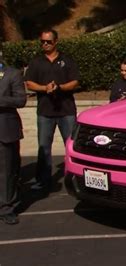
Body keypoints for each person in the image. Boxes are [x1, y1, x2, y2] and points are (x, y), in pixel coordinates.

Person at [25, 28, 80, 191]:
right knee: (44, 146)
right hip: (45, 112)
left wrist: (60, 87)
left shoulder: (67, 60)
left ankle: (75, 177)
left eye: (48, 41)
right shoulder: (36, 62)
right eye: (42, 41)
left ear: (56, 41)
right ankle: (43, 180)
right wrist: (44, 88)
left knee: (71, 146)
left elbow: (75, 81)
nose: (45, 44)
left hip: (66, 111)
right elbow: (29, 83)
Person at [0, 53, 27, 225]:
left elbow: (21, 99)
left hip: (5, 129)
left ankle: (6, 208)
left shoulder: (12, 74)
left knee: (7, 172)